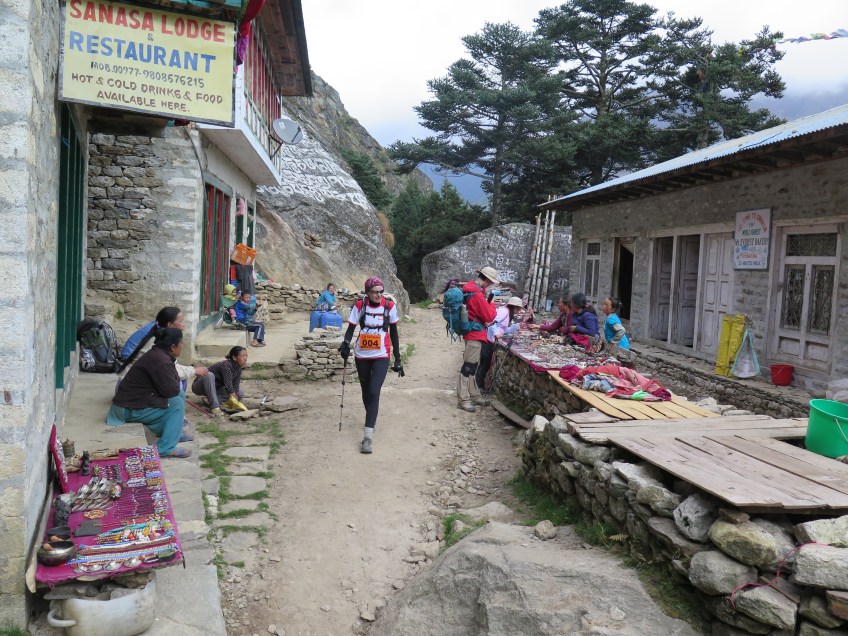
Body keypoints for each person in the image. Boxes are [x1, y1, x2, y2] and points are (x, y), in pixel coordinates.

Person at [337, 277, 404, 454]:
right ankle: (371, 418)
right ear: (367, 292)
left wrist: (397, 358)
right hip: (362, 354)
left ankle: (367, 436)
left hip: (382, 354)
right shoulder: (360, 306)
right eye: (375, 291)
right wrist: (345, 343)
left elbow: (395, 333)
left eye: (381, 291)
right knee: (366, 391)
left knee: (374, 391)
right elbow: (351, 328)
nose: (378, 294)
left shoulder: (389, 307)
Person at [107, 328, 191, 458]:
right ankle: (165, 448)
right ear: (173, 347)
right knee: (177, 403)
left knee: (179, 394)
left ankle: (173, 433)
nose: (183, 345)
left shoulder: (160, 355)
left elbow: (172, 387)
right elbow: (170, 390)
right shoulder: (160, 360)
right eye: (181, 343)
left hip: (134, 403)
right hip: (126, 409)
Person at [118, 307, 208, 384]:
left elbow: (171, 364)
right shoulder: (157, 342)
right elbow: (167, 368)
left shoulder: (159, 331)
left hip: (131, 379)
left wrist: (191, 370)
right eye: (181, 321)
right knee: (176, 381)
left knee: (181, 377)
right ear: (170, 324)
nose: (183, 325)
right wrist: (193, 370)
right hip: (131, 384)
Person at [457, 267, 498, 412]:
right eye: (491, 282)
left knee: (473, 365)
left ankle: (474, 395)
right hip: (475, 334)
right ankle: (463, 399)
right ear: (487, 279)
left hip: (472, 332)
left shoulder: (470, 289)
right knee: (468, 367)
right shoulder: (478, 295)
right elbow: (489, 316)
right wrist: (492, 304)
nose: (490, 284)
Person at [476, 296, 525, 391]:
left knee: (485, 363)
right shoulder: (504, 311)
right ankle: (479, 385)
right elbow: (492, 322)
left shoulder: (507, 313)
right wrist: (496, 333)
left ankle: (478, 384)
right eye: (518, 308)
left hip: (490, 339)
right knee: (485, 363)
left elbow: (503, 329)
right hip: (488, 339)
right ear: (514, 307)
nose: (519, 311)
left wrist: (516, 327)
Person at [192, 346, 248, 417]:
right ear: (234, 357)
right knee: (209, 375)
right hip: (200, 386)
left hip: (216, 388)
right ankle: (215, 407)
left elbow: (235, 388)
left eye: (246, 355)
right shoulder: (226, 365)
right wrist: (234, 399)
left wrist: (236, 399)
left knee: (240, 393)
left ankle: (209, 400)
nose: (245, 358)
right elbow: (228, 386)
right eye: (243, 356)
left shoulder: (238, 369)